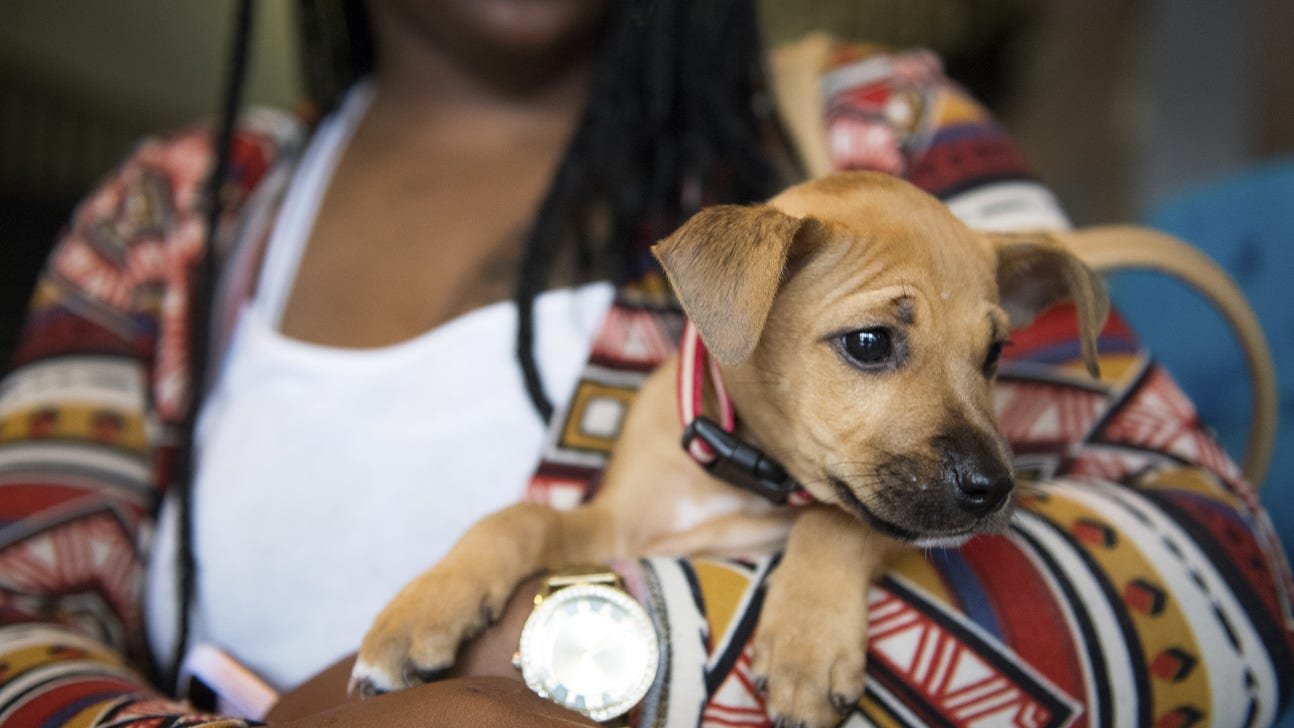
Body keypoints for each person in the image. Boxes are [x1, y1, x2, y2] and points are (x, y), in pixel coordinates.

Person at [1, 2, 1291, 727]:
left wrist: (567, 668)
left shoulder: (871, 135)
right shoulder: (168, 220)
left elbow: (1223, 598)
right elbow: (20, 631)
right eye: (872, 344)